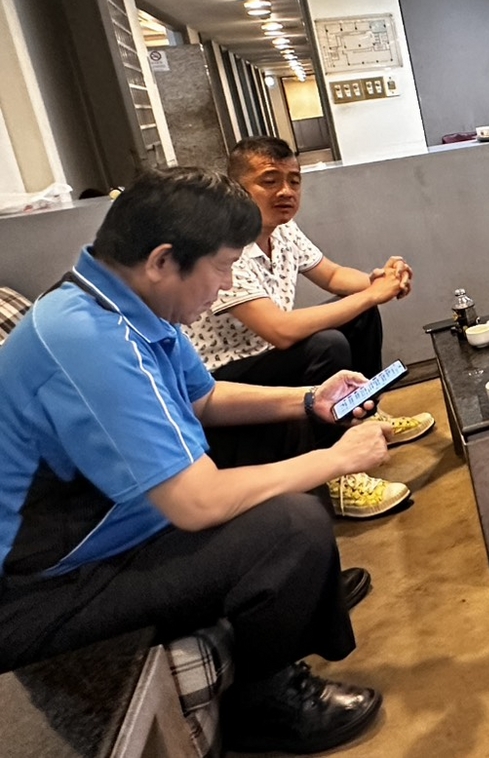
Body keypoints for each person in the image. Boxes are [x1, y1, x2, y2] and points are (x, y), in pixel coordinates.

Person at [0, 168, 388, 754]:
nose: (227, 285)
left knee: (284, 450)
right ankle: (265, 704)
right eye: (223, 266)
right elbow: (198, 503)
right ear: (163, 260)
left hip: (116, 530)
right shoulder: (87, 339)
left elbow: (203, 396)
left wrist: (310, 400)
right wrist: (338, 459)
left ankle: (301, 600)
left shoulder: (121, 302)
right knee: (291, 524)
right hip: (46, 592)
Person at [184, 137, 432, 520]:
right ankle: (338, 474)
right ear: (236, 187)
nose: (286, 191)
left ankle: (366, 416)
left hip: (267, 356)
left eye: (294, 180)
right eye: (270, 180)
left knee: (360, 313)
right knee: (327, 345)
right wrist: (372, 294)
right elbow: (279, 330)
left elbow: (331, 275)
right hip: (223, 377)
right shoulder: (223, 245)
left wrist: (381, 282)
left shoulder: (284, 231)